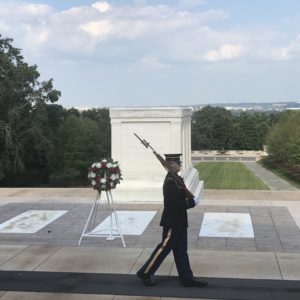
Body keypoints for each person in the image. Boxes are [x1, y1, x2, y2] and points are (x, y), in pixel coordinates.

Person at [137, 154, 208, 288]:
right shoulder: (170, 182)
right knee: (163, 249)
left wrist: (189, 199)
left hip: (179, 222)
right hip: (173, 223)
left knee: (181, 251)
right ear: (171, 165)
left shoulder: (175, 179)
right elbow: (173, 205)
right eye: (178, 163)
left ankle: (187, 278)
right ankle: (145, 272)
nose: (180, 165)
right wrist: (191, 202)